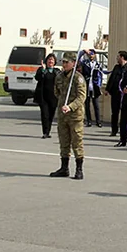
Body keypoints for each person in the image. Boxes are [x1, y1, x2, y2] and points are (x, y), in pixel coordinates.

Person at [50, 52, 87, 180]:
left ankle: (79, 169)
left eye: (67, 62)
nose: (64, 64)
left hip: (75, 116)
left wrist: (70, 106)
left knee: (77, 142)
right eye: (63, 62)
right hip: (62, 115)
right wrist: (63, 105)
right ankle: (64, 168)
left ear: (73, 63)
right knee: (64, 142)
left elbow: (81, 97)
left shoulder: (78, 78)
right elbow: (57, 92)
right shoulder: (59, 77)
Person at [34, 54, 58, 138]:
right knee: (45, 115)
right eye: (49, 59)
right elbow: (37, 78)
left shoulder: (57, 71)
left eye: (52, 60)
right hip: (43, 97)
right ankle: (45, 132)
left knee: (51, 115)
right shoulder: (42, 69)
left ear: (54, 62)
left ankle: (48, 131)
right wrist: (43, 70)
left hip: (53, 97)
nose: (50, 61)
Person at [105, 51, 127, 136]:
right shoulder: (116, 67)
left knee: (124, 113)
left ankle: (124, 130)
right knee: (114, 112)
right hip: (115, 94)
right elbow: (112, 79)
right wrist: (107, 89)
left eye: (118, 56)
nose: (117, 58)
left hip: (125, 95)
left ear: (122, 57)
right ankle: (114, 130)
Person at [81, 49, 103, 128]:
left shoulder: (98, 64)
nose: (91, 55)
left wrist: (99, 85)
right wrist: (83, 51)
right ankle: (89, 121)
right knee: (87, 105)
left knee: (96, 105)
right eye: (90, 54)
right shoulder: (85, 63)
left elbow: (100, 75)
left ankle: (98, 121)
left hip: (94, 86)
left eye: (92, 54)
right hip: (86, 85)